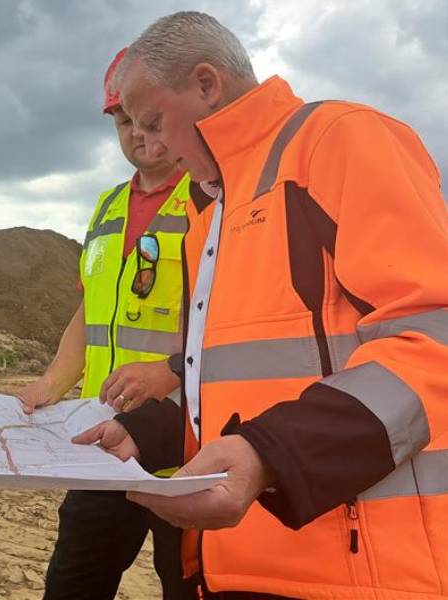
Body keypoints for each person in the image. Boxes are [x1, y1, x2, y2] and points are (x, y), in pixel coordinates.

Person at [101, 10, 448, 599]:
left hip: (362, 571)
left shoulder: (340, 140)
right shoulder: (206, 213)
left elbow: (431, 343)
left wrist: (269, 455)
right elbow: (240, 384)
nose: (150, 145)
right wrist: (149, 433)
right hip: (238, 560)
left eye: (154, 121)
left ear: (206, 84)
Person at [16, 49, 192, 600]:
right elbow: (89, 311)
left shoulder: (212, 200)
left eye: (148, 117)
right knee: (73, 584)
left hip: (185, 442)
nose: (137, 132)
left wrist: (172, 370)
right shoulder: (108, 206)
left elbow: (233, 316)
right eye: (122, 120)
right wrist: (51, 383)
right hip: (103, 439)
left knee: (187, 585)